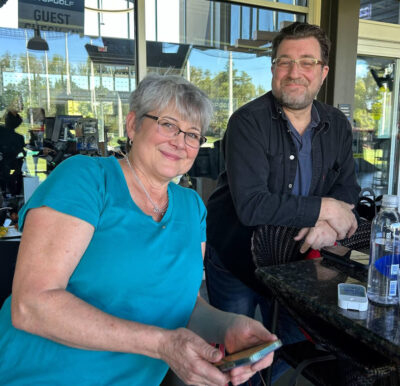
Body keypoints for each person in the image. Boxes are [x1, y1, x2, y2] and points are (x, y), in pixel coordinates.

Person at [0, 74, 278, 386]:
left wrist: (228, 326)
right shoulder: (87, 179)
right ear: (133, 125)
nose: (180, 141)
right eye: (168, 124)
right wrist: (162, 344)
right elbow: (31, 305)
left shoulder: (192, 206)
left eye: (193, 134)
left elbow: (182, 303)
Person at [205, 22, 360, 384]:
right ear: (273, 68)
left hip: (294, 265)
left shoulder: (337, 125)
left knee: (286, 344)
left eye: (307, 62)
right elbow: (252, 206)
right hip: (235, 258)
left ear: (322, 72)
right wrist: (326, 208)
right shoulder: (247, 122)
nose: (295, 73)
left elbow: (348, 189)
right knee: (234, 356)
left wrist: (326, 223)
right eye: (284, 62)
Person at [0, 111, 26, 197]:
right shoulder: (19, 138)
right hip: (13, 172)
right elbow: (22, 153)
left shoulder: (1, 131)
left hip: (5, 170)